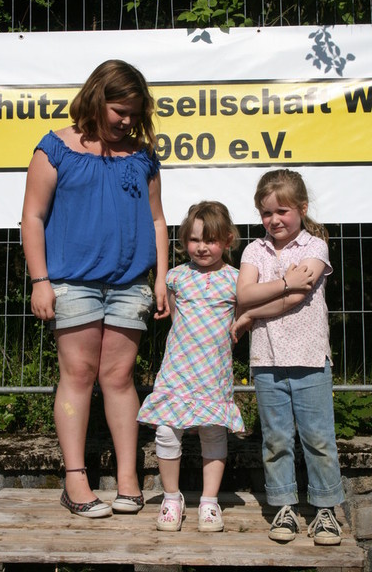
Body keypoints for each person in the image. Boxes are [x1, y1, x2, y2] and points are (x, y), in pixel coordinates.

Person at [21, 60, 170, 518]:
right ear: (95, 98)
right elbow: (32, 217)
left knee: (119, 378)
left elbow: (157, 219)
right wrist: (40, 281)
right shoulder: (54, 149)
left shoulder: (143, 156)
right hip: (71, 282)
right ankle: (75, 481)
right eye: (119, 111)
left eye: (134, 114)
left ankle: (128, 480)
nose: (127, 121)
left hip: (130, 285)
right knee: (79, 375)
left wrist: (161, 277)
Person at [231, 169, 345, 545]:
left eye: (282, 211)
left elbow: (298, 297)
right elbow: (244, 294)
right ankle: (283, 506)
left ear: (302, 208)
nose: (274, 219)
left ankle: (325, 510)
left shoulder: (315, 247)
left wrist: (250, 314)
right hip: (266, 360)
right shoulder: (254, 250)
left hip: (310, 358)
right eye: (267, 213)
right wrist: (282, 284)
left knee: (318, 438)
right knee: (276, 439)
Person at [137, 201, 245, 532]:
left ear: (227, 240)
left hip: (214, 371)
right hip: (178, 369)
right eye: (194, 239)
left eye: (210, 240)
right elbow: (173, 311)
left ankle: (209, 502)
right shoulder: (176, 277)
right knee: (167, 431)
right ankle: (172, 498)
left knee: (213, 432)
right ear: (184, 241)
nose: (201, 247)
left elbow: (242, 318)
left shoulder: (236, 280)